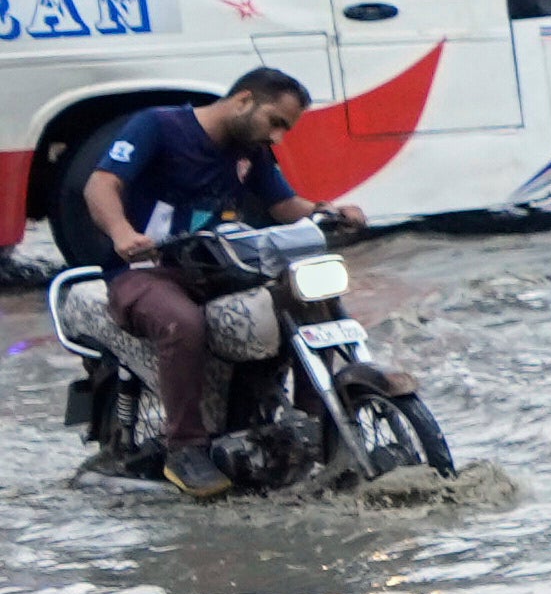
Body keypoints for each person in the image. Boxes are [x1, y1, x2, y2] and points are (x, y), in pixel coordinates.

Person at [77, 67, 363, 499]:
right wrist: (122, 234)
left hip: (217, 267)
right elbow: (101, 184)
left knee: (305, 296)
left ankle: (312, 426)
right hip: (144, 272)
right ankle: (185, 450)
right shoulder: (158, 125)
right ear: (244, 100)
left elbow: (283, 204)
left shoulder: (253, 150)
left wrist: (329, 212)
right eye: (277, 122)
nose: (279, 137)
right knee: (182, 322)